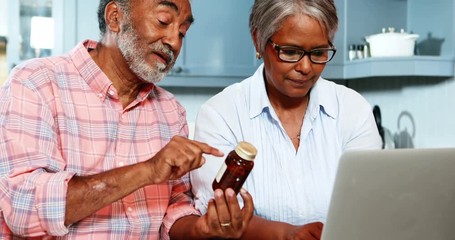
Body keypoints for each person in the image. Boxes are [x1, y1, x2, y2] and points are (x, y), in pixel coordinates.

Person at [0, 0, 254, 239]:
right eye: (164, 21)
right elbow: (22, 206)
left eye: (183, 32)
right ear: (115, 17)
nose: (174, 42)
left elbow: (176, 208)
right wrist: (148, 170)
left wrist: (202, 228)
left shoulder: (170, 111)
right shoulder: (36, 82)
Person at [190, 0, 382, 239]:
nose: (306, 67)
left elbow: (369, 204)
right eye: (290, 52)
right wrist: (287, 234)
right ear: (258, 39)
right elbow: (220, 215)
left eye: (319, 53)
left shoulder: (352, 110)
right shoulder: (221, 114)